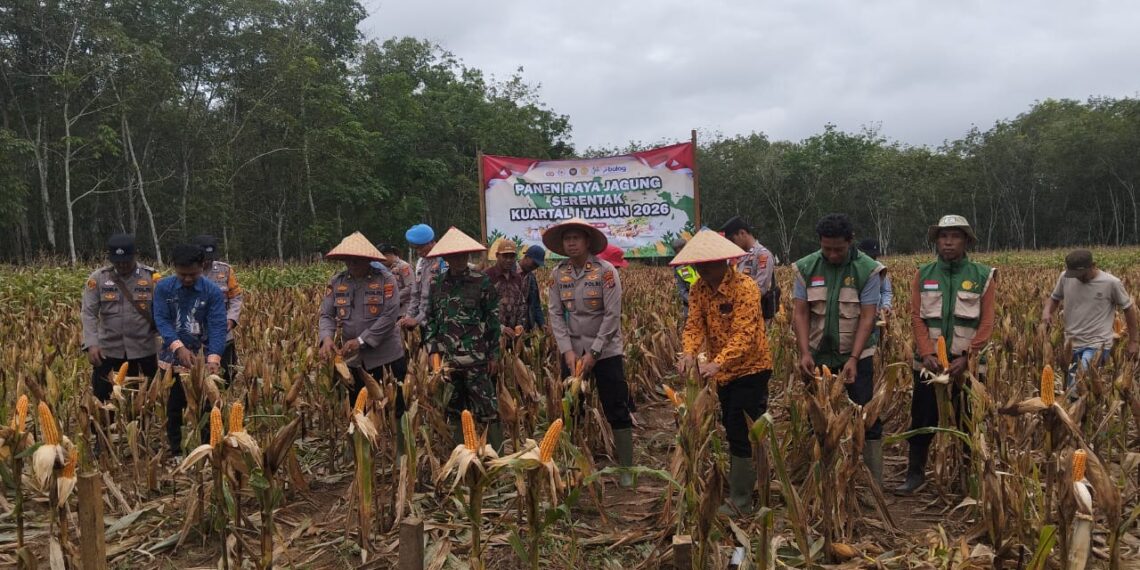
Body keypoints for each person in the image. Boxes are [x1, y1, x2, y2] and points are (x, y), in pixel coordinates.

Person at [896, 215, 997, 495]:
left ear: (966, 241)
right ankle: (915, 474)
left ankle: (968, 477)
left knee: (968, 421)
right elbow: (917, 318)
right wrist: (926, 352)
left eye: (955, 236)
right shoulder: (924, 274)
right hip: (928, 365)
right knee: (921, 420)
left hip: (967, 366)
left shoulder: (982, 276)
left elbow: (986, 322)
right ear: (936, 241)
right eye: (943, 236)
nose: (948, 242)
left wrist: (968, 357)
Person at [673, 230, 772, 516]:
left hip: (751, 367)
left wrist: (717, 362)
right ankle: (747, 483)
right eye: (697, 264)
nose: (701, 269)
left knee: (741, 429)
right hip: (724, 371)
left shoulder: (745, 287)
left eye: (707, 263)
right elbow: (693, 325)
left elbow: (746, 333)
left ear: (724, 261)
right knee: (732, 426)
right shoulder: (698, 289)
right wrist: (690, 353)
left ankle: (742, 500)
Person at [791, 213, 885, 485]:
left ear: (850, 242)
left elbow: (867, 317)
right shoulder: (806, 267)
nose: (832, 255)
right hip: (818, 355)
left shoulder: (867, 269)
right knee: (816, 415)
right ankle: (818, 475)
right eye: (827, 249)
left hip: (856, 354)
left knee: (865, 413)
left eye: (839, 250)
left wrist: (854, 358)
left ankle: (871, 481)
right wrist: (805, 353)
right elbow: (801, 313)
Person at [544, 218, 635, 487]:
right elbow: (555, 314)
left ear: (587, 242)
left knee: (615, 405)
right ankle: (575, 466)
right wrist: (567, 351)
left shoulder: (606, 272)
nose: (571, 243)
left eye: (576, 238)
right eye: (566, 239)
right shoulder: (558, 274)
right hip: (573, 351)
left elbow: (612, 315)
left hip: (605, 351)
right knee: (571, 409)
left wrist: (594, 352)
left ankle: (626, 468)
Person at [318, 233, 408, 446]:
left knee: (396, 407)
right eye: (348, 259)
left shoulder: (386, 280)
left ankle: (402, 451)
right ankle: (361, 450)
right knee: (358, 408)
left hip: (386, 356)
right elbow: (327, 314)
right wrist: (326, 338)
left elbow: (389, 315)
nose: (352, 264)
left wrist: (361, 340)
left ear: (369, 259)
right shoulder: (337, 281)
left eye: (357, 259)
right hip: (355, 360)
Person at [422, 228, 503, 450]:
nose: (458, 259)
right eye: (453, 255)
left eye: (462, 255)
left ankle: (495, 456)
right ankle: (461, 453)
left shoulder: (481, 282)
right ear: (446, 257)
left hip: (478, 358)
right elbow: (430, 321)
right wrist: (433, 351)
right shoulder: (436, 284)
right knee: (454, 409)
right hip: (448, 362)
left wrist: (494, 354)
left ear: (467, 256)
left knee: (487, 409)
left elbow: (493, 320)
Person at [153, 244, 228, 458]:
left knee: (206, 407)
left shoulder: (211, 291)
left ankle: (207, 448)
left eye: (192, 274)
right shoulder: (163, 288)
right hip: (172, 358)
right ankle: (177, 450)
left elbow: (217, 325)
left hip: (201, 358)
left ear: (202, 267)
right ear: (174, 268)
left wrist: (214, 357)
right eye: (182, 274)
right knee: (175, 406)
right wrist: (178, 348)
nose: (187, 279)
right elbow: (162, 320)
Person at [1041, 249, 1138, 393]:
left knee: (1077, 384)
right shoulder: (1066, 277)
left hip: (1097, 344)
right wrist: (1047, 311)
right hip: (1071, 344)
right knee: (1078, 390)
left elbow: (1129, 309)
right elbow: (1054, 298)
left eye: (1082, 274)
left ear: (1093, 265)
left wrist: (1133, 341)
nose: (1078, 278)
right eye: (1075, 274)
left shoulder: (1111, 283)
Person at [81, 234, 161, 403]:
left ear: (135, 256)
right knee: (104, 400)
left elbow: (165, 311)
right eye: (117, 262)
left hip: (144, 351)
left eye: (126, 261)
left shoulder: (151, 277)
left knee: (143, 402)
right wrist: (91, 344)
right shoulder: (98, 279)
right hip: (108, 351)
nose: (122, 265)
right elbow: (88, 312)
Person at [193, 235, 243, 381]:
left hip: (223, 332)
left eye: (210, 257)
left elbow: (236, 298)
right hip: (197, 334)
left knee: (228, 373)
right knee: (200, 376)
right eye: (204, 257)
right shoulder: (188, 271)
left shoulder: (225, 271)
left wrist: (231, 319)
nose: (207, 261)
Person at [720, 216, 779, 323]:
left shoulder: (762, 254)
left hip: (756, 316)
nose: (732, 244)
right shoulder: (739, 256)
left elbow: (760, 289)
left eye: (732, 240)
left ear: (742, 233)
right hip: (738, 315)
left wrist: (737, 300)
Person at [399, 224, 447, 330]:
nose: (419, 252)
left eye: (420, 248)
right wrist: (409, 316)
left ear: (431, 242)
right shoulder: (421, 263)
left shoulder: (444, 261)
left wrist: (417, 319)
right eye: (416, 249)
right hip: (423, 322)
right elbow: (415, 294)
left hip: (438, 322)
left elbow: (439, 298)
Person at [486, 240, 530, 336]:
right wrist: (500, 328)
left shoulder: (517, 278)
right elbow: (483, 308)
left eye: (512, 256)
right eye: (505, 256)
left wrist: (520, 325)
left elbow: (521, 305)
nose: (509, 260)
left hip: (514, 336)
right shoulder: (487, 276)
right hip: (493, 336)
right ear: (497, 255)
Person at [377, 244, 414, 316]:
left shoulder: (404, 266)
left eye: (381, 259)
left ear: (388, 255)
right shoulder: (384, 268)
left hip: (403, 310)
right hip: (389, 309)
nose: (380, 262)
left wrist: (394, 297)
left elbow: (411, 286)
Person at [518, 245, 546, 331]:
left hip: (526, 328)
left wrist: (542, 323)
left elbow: (535, 304)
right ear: (526, 257)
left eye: (537, 265)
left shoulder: (531, 278)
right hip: (509, 328)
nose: (535, 267)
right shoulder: (509, 272)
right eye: (534, 263)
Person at [672, 238, 699, 322]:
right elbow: (682, 290)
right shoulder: (679, 267)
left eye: (683, 250)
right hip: (691, 305)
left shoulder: (700, 260)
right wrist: (694, 301)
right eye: (678, 252)